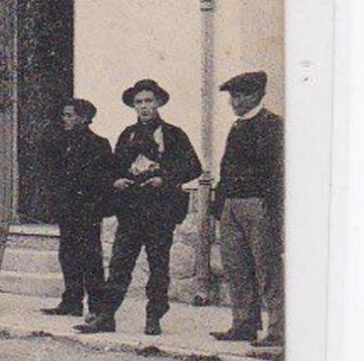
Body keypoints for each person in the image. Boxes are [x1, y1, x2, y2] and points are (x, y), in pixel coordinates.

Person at [78, 79, 202, 336]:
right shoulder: (128, 134)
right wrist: (116, 180)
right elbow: (113, 166)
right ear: (133, 106)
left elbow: (193, 167)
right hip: (131, 210)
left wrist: (165, 178)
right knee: (120, 264)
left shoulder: (173, 134)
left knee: (158, 266)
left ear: (158, 103)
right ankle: (106, 316)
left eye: (148, 101)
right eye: (139, 102)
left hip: (160, 211)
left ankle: (154, 316)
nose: (144, 106)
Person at [210, 70, 285, 346]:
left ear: (256, 95)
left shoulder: (272, 125)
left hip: (258, 204)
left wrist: (271, 208)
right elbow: (226, 168)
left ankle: (278, 330)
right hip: (232, 205)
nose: (234, 101)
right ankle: (244, 324)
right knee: (236, 267)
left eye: (240, 95)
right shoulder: (237, 127)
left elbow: (277, 172)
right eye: (233, 96)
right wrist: (221, 205)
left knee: (267, 268)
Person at [42, 98, 117, 319]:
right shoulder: (61, 142)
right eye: (64, 115)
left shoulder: (99, 144)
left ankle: (96, 305)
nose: (65, 119)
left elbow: (104, 178)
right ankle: (71, 302)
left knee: (91, 257)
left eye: (69, 115)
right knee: (67, 254)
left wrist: (97, 205)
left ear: (84, 118)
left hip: (88, 209)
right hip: (68, 208)